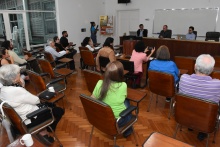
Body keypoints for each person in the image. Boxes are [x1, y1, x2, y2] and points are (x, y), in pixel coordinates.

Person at [0, 64, 64, 143]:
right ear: (14, 79)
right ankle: (46, 130)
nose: (19, 74)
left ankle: (42, 130)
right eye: (18, 74)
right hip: (30, 119)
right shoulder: (16, 90)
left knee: (50, 105)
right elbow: (36, 100)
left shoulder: (2, 90)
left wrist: (21, 86)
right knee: (58, 110)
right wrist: (22, 86)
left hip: (19, 120)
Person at [179, 54, 220, 141]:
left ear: (195, 66)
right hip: (206, 119)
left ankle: (190, 125)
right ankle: (202, 132)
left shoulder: (183, 78)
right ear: (212, 70)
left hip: (185, 115)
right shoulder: (217, 84)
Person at [91, 61, 133, 138]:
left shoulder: (100, 83)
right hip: (118, 121)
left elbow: (92, 100)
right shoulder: (123, 85)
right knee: (128, 103)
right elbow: (124, 96)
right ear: (120, 74)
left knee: (125, 101)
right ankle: (128, 131)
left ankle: (128, 130)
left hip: (102, 118)